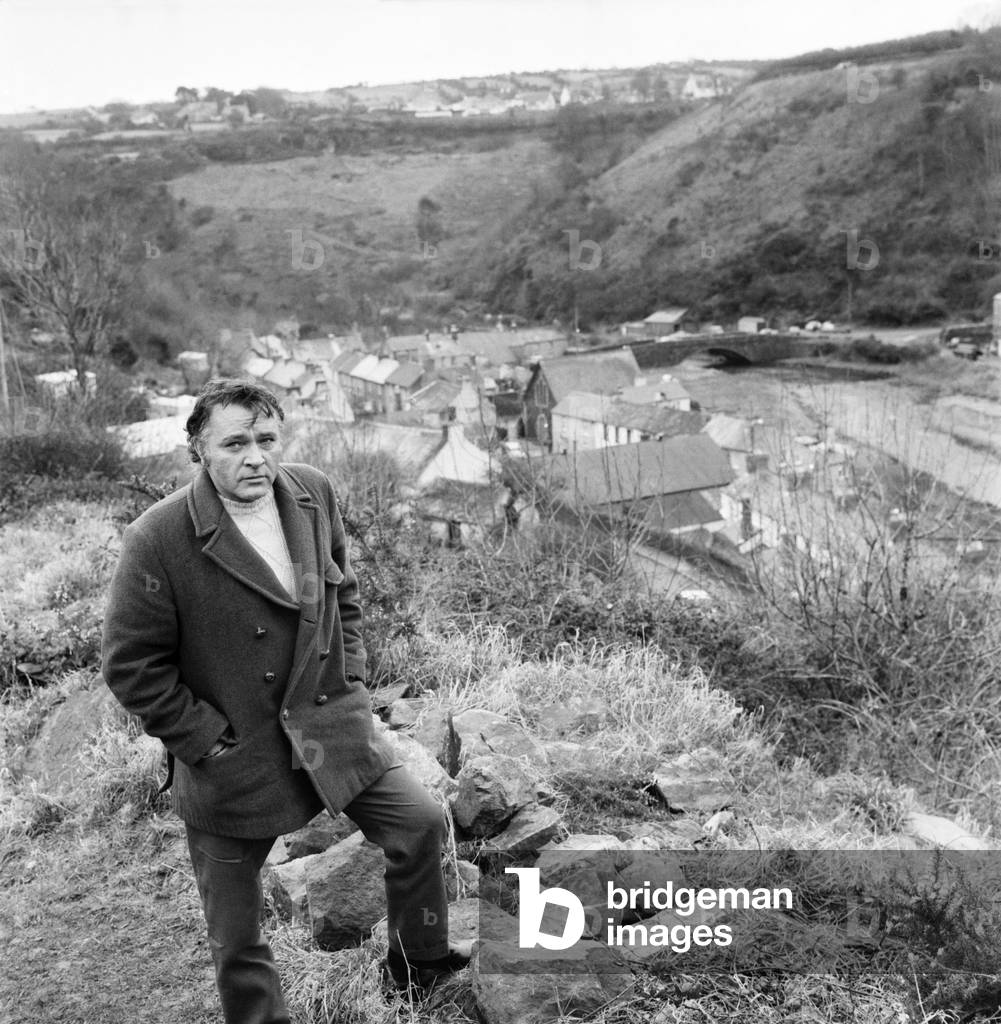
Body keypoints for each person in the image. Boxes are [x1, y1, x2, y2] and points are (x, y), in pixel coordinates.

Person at [101, 378, 464, 1024]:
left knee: (420, 824)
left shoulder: (312, 493)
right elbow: (131, 667)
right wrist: (207, 741)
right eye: (234, 443)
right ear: (197, 451)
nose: (255, 458)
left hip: (332, 727)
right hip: (235, 760)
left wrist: (349, 681)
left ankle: (417, 970)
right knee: (237, 938)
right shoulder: (156, 539)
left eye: (266, 439)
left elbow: (343, 594)